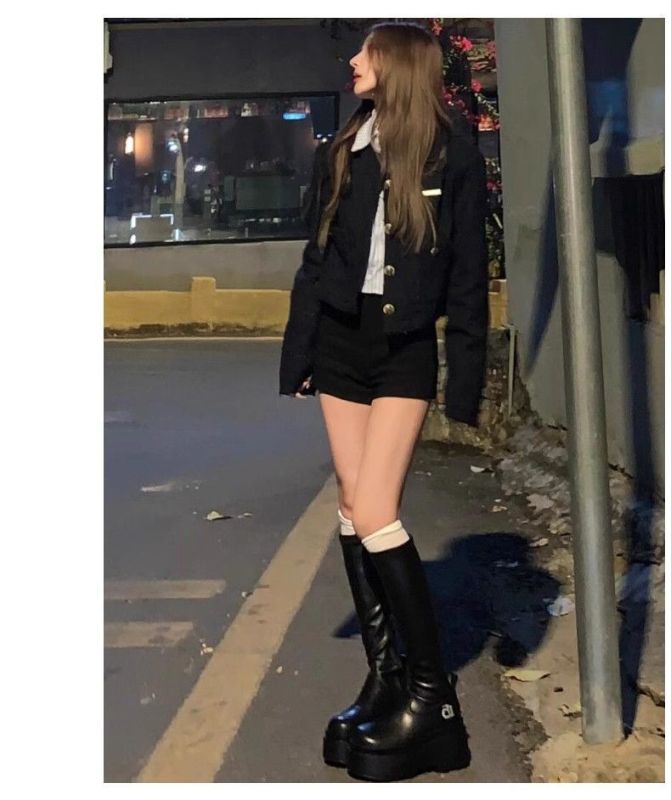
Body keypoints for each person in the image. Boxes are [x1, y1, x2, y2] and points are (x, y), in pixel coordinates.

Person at [278, 21, 489, 782]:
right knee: (349, 501)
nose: (352, 61)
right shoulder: (344, 146)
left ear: (397, 65)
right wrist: (300, 353)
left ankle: (432, 698)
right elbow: (317, 255)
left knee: (375, 512)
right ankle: (386, 676)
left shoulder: (450, 152)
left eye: (365, 53)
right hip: (341, 343)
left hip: (403, 350)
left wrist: (463, 379)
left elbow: (467, 271)